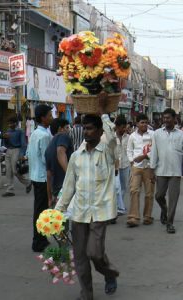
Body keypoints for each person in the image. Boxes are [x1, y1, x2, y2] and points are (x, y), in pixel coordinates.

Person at [55, 98, 119, 300]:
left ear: (100, 132)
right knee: (80, 257)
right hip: (80, 212)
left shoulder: (107, 152)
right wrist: (58, 211)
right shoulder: (76, 156)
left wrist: (102, 112)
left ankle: (109, 273)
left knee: (95, 253)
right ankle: (86, 295)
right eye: (84, 128)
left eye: (91, 128)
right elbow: (68, 186)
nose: (86, 131)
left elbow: (111, 136)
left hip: (100, 212)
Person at [150, 108, 183, 234]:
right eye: (164, 118)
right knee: (159, 195)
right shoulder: (157, 133)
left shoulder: (181, 134)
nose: (166, 120)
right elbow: (154, 152)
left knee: (173, 199)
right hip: (161, 170)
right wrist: (152, 169)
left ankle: (170, 223)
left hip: (175, 172)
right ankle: (164, 209)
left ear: (174, 119)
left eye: (168, 118)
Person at [28, 104, 52, 252]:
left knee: (40, 209)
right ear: (43, 118)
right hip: (42, 177)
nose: (52, 117)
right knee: (41, 210)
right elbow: (46, 158)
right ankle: (38, 241)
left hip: (36, 175)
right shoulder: (43, 135)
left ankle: (40, 238)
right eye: (50, 115)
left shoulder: (36, 133)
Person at [127, 114, 154, 227]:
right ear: (137, 123)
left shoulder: (153, 134)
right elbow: (129, 150)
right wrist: (132, 161)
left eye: (146, 122)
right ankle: (134, 217)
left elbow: (154, 150)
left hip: (149, 167)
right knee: (134, 191)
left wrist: (144, 156)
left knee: (149, 193)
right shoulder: (132, 136)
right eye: (142, 122)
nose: (144, 124)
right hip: (136, 167)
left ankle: (147, 216)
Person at [45, 118, 73, 207]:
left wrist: (50, 198)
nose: (69, 130)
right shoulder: (63, 136)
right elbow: (60, 152)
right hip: (66, 187)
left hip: (56, 190)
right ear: (61, 129)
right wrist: (70, 175)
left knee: (60, 218)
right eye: (67, 127)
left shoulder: (49, 147)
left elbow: (48, 175)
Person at [1, 116, 31, 197]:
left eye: (12, 123)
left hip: (16, 150)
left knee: (15, 170)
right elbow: (6, 144)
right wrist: (5, 138)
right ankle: (9, 190)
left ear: (16, 123)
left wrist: (21, 155)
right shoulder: (8, 131)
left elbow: (23, 144)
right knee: (8, 171)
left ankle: (28, 182)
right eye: (9, 123)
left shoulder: (20, 131)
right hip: (8, 151)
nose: (10, 125)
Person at [115, 115, 130, 213]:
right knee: (116, 187)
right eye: (122, 127)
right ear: (117, 126)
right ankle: (116, 206)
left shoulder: (128, 137)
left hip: (125, 164)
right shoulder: (111, 137)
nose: (124, 129)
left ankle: (120, 205)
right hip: (114, 166)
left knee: (123, 186)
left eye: (125, 127)